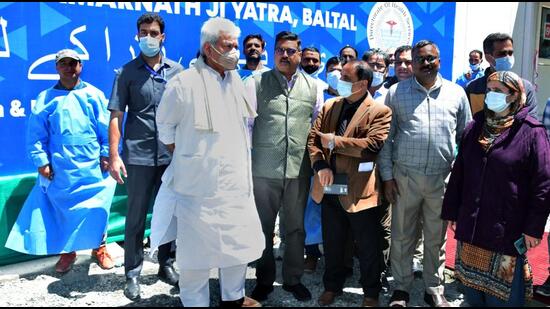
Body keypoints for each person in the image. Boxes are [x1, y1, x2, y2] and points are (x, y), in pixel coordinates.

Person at [151, 17, 264, 307]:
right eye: (229, 46)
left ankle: (233, 299)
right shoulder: (183, 84)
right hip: (197, 189)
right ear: (209, 49)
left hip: (235, 186)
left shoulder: (236, 80)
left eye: (236, 46)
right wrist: (193, 155)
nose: (236, 52)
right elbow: (165, 128)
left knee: (237, 247)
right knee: (195, 256)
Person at [441, 71, 550, 306]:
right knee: (472, 292)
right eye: (489, 89)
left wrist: (533, 228)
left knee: (503, 297)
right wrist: (452, 211)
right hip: (472, 224)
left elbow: (543, 184)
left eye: (499, 91)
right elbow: (460, 172)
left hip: (506, 228)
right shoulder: (475, 126)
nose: (491, 95)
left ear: (514, 96)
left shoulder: (531, 132)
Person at [378, 40, 472, 307]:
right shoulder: (396, 93)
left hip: (441, 180)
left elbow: (465, 139)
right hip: (404, 177)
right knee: (402, 235)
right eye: (420, 59)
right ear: (413, 62)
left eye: (431, 58)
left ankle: (434, 287)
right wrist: (387, 177)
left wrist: (460, 181)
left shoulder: (456, 94)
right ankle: (401, 288)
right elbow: (387, 139)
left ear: (439, 61)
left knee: (435, 237)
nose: (426, 63)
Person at [5, 49, 116, 274]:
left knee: (96, 208)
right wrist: (42, 162)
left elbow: (106, 128)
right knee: (63, 210)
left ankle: (100, 248)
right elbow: (36, 135)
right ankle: (68, 252)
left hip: (92, 165)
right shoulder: (46, 98)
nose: (68, 68)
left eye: (73, 63)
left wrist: (106, 154)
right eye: (63, 64)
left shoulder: (94, 95)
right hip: (62, 167)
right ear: (57, 67)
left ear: (80, 67)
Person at [107, 12, 183, 300]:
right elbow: (116, 116)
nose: (148, 37)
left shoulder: (177, 72)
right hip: (137, 156)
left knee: (170, 213)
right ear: (137, 35)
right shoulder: (126, 73)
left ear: (162, 37)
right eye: (143, 32)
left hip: (171, 156)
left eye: (153, 32)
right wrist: (114, 155)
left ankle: (166, 263)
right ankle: (133, 273)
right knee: (136, 217)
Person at [246, 30, 324, 303]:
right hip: (263, 171)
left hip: (298, 171)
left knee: (295, 228)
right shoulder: (257, 83)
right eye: (280, 49)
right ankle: (264, 280)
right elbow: (247, 126)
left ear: (299, 54)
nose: (284, 54)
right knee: (262, 228)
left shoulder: (315, 87)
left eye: (290, 50)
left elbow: (316, 128)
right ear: (274, 52)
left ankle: (293, 279)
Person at [309, 60, 392, 307]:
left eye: (345, 77)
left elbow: (372, 146)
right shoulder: (330, 106)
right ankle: (331, 286)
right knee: (333, 242)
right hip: (330, 186)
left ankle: (370, 293)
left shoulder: (379, 111)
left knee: (368, 246)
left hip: (360, 190)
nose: (339, 80)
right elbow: (314, 140)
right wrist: (320, 165)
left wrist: (334, 142)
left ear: (362, 83)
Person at [466, 33, 538, 118]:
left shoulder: (526, 87)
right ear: (488, 57)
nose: (508, 57)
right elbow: (468, 123)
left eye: (510, 53)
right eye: (502, 53)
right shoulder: (474, 88)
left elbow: (531, 124)